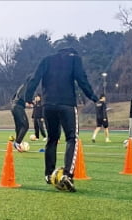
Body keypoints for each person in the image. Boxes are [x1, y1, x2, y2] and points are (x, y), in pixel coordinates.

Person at [24, 47, 99, 192]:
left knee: (52, 138)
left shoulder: (46, 60)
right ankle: (67, 174)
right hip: (67, 104)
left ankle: (48, 173)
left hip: (48, 105)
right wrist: (93, 97)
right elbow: (82, 80)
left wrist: (28, 97)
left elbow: (34, 78)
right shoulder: (74, 59)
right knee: (72, 138)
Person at [10, 77, 31, 151]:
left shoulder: (22, 86)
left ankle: (18, 143)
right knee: (25, 125)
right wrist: (28, 102)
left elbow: (14, 97)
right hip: (18, 107)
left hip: (14, 106)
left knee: (19, 126)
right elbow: (23, 97)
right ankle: (17, 142)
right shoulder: (27, 87)